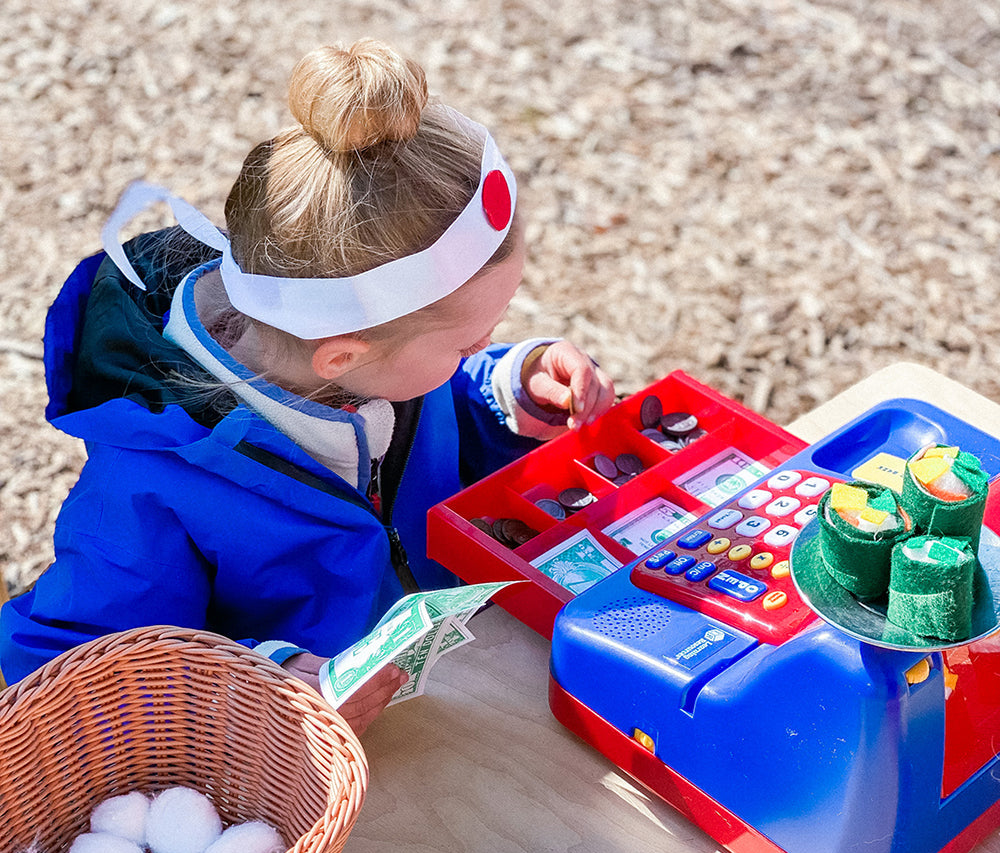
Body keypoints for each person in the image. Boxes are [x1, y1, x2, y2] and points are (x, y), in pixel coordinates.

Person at [0, 40, 615, 734]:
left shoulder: (368, 353)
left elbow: (424, 424)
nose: (483, 346)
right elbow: (72, 664)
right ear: (342, 356)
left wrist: (508, 389)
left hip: (467, 696)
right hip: (303, 770)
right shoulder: (152, 483)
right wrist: (263, 681)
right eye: (471, 342)